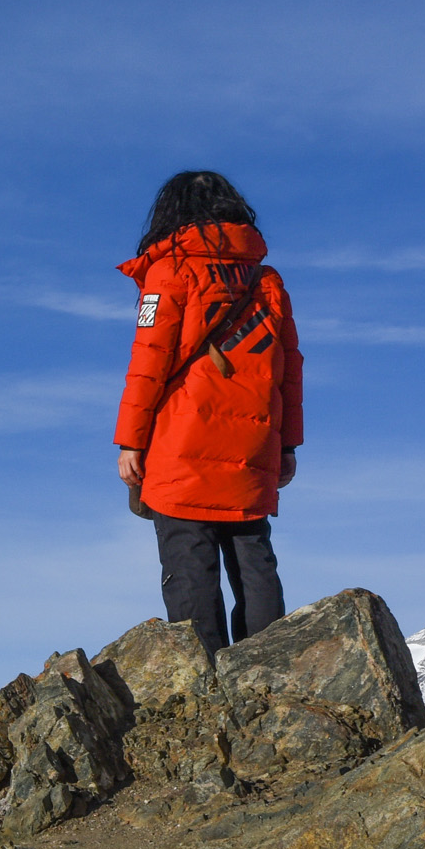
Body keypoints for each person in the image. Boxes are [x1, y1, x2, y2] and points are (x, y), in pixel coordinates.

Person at [113, 169, 302, 655]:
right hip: (253, 442)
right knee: (253, 558)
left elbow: (148, 364)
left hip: (181, 441)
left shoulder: (169, 271)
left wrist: (131, 440)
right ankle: (267, 667)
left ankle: (205, 681)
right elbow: (289, 368)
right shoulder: (267, 280)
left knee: (189, 559)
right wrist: (286, 445)